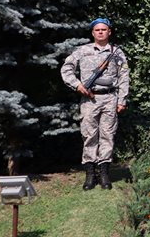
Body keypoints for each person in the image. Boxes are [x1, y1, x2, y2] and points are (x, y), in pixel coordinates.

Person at [61, 18, 129, 190]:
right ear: (92, 33)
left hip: (109, 99)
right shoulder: (82, 51)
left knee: (107, 134)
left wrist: (122, 100)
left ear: (109, 32)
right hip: (89, 99)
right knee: (89, 135)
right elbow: (66, 69)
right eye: (97, 30)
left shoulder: (117, 53)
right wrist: (77, 85)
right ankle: (90, 175)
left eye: (104, 29)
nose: (100, 32)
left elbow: (124, 77)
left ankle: (105, 174)